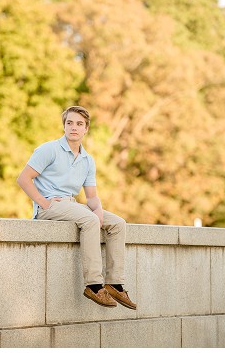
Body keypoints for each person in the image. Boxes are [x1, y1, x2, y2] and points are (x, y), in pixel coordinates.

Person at [16, 106, 138, 309]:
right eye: (69, 123)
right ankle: (94, 285)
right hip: (49, 207)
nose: (74, 127)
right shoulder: (49, 149)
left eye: (79, 124)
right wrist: (44, 202)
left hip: (71, 205)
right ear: (64, 126)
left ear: (86, 129)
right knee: (89, 220)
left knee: (118, 223)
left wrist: (98, 210)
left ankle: (115, 282)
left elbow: (91, 196)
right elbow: (23, 179)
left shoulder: (87, 160)